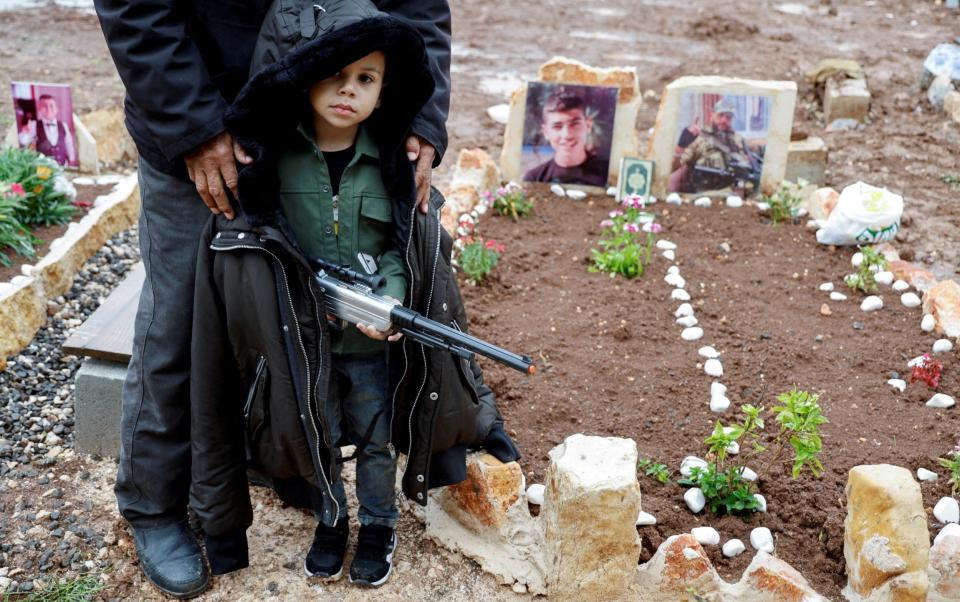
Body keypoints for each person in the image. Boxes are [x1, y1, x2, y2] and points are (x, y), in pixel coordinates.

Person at [92, 0, 451, 597]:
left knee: (302, 315)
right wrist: (193, 123)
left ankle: (282, 464)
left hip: (329, 126)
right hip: (201, 114)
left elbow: (420, 6)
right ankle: (155, 505)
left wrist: (424, 114)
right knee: (181, 323)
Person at [189, 0, 519, 589]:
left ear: (384, 89)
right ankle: (331, 522)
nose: (349, 91)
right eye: (335, 75)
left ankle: (378, 526)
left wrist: (389, 304)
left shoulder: (387, 163)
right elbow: (267, 247)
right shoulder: (273, 161)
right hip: (304, 342)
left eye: (366, 79)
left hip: (366, 345)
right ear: (304, 80)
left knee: (372, 440)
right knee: (314, 431)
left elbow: (393, 249)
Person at [523, 89, 608, 187]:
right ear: (546, 132)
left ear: (588, 125)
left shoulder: (608, 175)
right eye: (557, 126)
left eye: (575, 124)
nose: (567, 135)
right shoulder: (535, 179)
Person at [669, 98, 754, 193]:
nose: (724, 120)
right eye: (720, 115)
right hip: (704, 196)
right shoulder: (698, 138)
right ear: (712, 115)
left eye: (728, 117)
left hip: (735, 193)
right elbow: (673, 167)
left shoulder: (738, 139)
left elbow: (748, 167)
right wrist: (680, 147)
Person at [18, 94, 77, 166]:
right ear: (39, 109)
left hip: (63, 165)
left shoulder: (63, 125)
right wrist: (25, 132)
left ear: (56, 109)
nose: (48, 109)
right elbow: (23, 141)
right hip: (44, 168)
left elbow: (69, 144)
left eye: (51, 106)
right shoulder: (34, 125)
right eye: (44, 106)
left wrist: (72, 159)